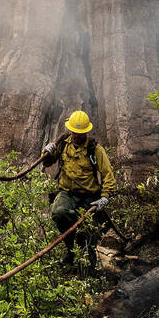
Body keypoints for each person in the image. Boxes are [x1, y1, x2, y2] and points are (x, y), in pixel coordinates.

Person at [42, 109, 116, 271]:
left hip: (89, 196)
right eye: (74, 132)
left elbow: (108, 175)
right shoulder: (62, 144)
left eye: (80, 133)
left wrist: (104, 197)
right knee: (59, 213)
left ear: (86, 132)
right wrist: (47, 152)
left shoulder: (95, 150)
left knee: (88, 233)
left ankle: (88, 270)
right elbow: (47, 163)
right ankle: (70, 251)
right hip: (66, 193)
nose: (76, 135)